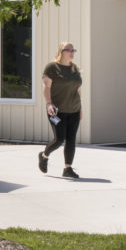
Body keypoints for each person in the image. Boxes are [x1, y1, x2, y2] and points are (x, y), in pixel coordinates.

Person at [38, 41, 83, 178]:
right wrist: (49, 104)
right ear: (61, 52)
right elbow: (46, 87)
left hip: (74, 110)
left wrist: (80, 109)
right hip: (56, 111)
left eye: (73, 50)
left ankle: (67, 168)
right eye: (68, 50)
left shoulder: (75, 68)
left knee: (71, 139)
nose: (71, 52)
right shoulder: (52, 67)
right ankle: (44, 156)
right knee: (59, 139)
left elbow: (78, 90)